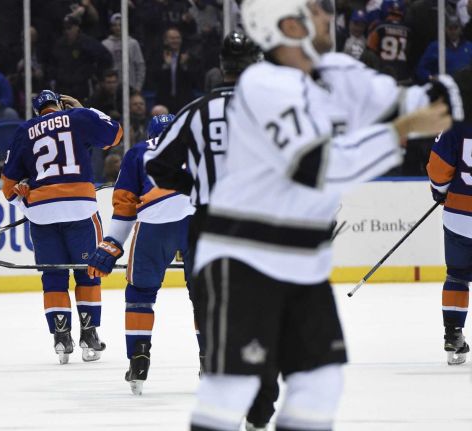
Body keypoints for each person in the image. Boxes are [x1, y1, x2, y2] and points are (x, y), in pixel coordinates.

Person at [186, 1, 460, 430]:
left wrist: (456, 91)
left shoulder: (339, 72)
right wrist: (400, 131)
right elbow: (314, 165)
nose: (325, 16)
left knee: (320, 382)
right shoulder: (263, 84)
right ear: (285, 25)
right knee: (232, 387)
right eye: (312, 11)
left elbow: (418, 103)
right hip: (245, 254)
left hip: (301, 260)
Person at [145, 31, 278, 430]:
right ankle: (259, 410)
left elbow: (157, 166)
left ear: (222, 66)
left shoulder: (195, 111)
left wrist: (194, 187)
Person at [1, 90, 122, 364]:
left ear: (37, 112)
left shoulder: (25, 130)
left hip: (42, 215)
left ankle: (61, 338)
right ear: (59, 104)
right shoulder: (77, 116)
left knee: (53, 277)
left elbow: (9, 189)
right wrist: (84, 108)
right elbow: (114, 135)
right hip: (79, 208)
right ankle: (88, 335)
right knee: (88, 271)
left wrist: (27, 203)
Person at [87, 114, 200, 396]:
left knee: (140, 294)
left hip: (155, 223)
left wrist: (111, 245)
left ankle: (138, 358)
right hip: (198, 221)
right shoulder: (199, 144)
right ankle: (210, 361)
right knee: (206, 295)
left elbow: (125, 205)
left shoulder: (138, 151)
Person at [427, 121, 472, 365]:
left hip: (460, 217)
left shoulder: (455, 125)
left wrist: (440, 191)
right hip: (459, 214)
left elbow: (439, 166)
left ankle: (453, 334)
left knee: (456, 276)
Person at [416, 14, 472, 84]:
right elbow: (421, 68)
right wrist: (431, 77)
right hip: (444, 88)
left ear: (461, 29)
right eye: (450, 28)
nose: (453, 31)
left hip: (465, 87)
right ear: (445, 29)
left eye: (456, 28)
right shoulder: (435, 46)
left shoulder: (469, 46)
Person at [366, 0, 412, 83]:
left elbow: (370, 50)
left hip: (383, 73)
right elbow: (411, 51)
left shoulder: (379, 27)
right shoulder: (408, 30)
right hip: (402, 74)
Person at [102, 13, 146, 92]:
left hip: (130, 86)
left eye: (120, 25)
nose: (118, 27)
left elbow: (140, 65)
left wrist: (138, 86)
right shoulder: (105, 44)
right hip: (111, 88)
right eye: (115, 25)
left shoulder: (133, 43)